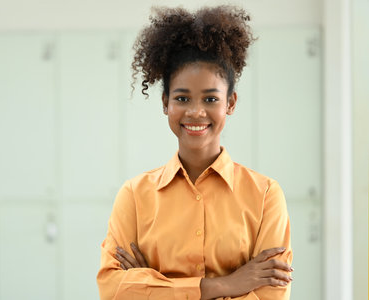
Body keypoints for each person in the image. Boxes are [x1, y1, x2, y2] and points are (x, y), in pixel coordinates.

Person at [97, 5, 293, 300]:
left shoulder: (265, 196)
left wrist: (154, 285)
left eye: (211, 98)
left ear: (231, 103)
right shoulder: (134, 197)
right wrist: (227, 284)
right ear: (165, 103)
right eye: (182, 98)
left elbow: (270, 296)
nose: (196, 112)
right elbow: (113, 291)